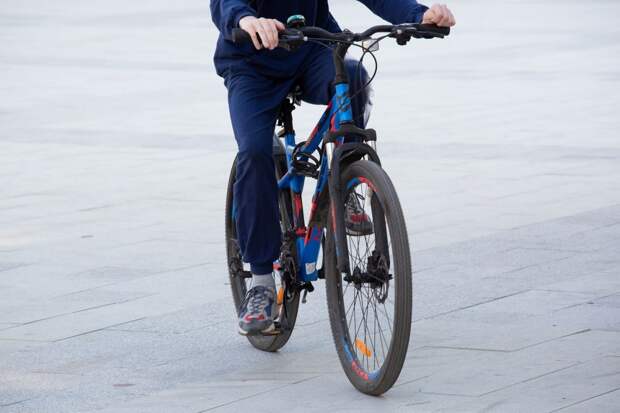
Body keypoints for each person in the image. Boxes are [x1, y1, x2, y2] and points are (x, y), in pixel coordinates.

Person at [210, 0, 455, 335]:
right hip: (250, 62)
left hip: (310, 49)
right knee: (254, 153)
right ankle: (262, 283)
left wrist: (418, 15)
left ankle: (345, 180)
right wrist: (245, 19)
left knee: (353, 77)